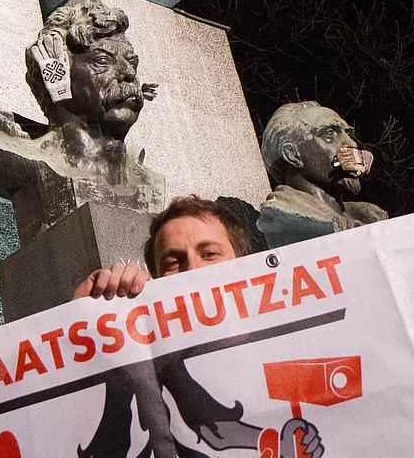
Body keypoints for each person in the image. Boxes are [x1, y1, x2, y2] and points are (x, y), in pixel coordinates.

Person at [72, 196, 323, 458]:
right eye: (173, 262)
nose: (192, 269)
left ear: (243, 264)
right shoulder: (161, 363)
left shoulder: (293, 342)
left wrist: (280, 443)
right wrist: (82, 325)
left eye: (210, 254)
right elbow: (215, 428)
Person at [0, 0, 166, 239]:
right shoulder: (15, 157)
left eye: (132, 63)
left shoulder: (147, 180)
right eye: (102, 61)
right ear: (55, 73)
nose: (128, 74)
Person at [257, 101, 387, 248]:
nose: (352, 144)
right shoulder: (284, 218)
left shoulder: (372, 216)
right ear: (292, 155)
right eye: (329, 134)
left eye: (348, 134)